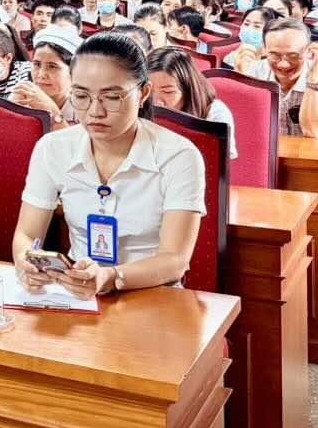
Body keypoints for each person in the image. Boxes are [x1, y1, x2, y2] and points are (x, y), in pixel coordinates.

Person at [12, 32, 206, 299]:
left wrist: (111, 276)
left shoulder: (179, 156)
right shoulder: (52, 148)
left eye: (112, 97)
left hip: (156, 296)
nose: (95, 111)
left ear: (143, 93)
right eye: (81, 96)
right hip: (76, 292)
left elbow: (175, 259)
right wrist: (26, 262)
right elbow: (26, 232)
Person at [233, 19, 318, 140]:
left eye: (293, 56)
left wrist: (314, 79)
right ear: (264, 49)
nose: (283, 64)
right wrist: (241, 81)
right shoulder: (252, 71)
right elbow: (243, 130)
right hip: (263, 155)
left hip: (313, 156)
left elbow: (312, 130)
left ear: (309, 51)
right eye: (275, 55)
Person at [146, 47, 237, 158]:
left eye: (168, 91)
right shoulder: (137, 108)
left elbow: (218, 167)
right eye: (149, 92)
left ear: (188, 89)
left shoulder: (214, 113)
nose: (156, 102)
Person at [11, 25, 82, 129]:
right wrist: (11, 111)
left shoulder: (85, 107)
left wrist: (52, 110)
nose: (41, 75)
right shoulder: (22, 96)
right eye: (36, 64)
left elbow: (77, 145)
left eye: (52, 66)